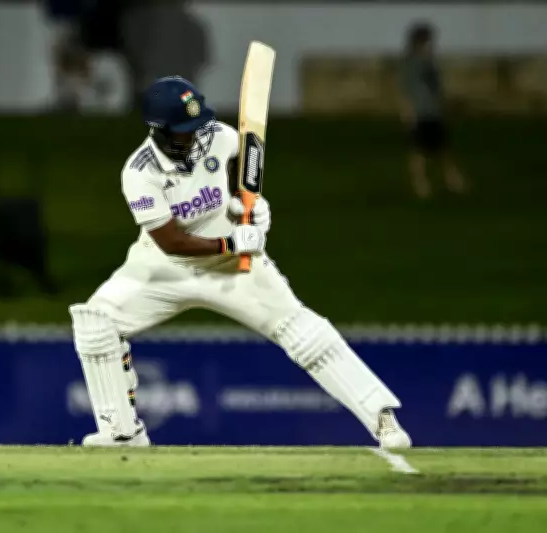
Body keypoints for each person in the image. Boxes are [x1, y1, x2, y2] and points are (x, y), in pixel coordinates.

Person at [68, 76, 412, 449]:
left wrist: (251, 210)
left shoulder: (222, 136)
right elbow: (171, 242)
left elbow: (241, 184)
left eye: (199, 125)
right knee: (95, 322)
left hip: (234, 269)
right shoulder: (139, 173)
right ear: (160, 131)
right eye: (186, 130)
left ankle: (383, 419)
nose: (199, 135)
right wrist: (230, 242)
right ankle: (122, 434)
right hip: (164, 269)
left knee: (302, 331)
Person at [399, 22, 468, 198]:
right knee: (420, 150)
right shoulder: (411, 63)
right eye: (428, 40)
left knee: (443, 147)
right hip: (421, 112)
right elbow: (406, 90)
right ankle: (421, 184)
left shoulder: (429, 61)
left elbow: (437, 87)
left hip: (433, 111)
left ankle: (453, 179)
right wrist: (408, 112)